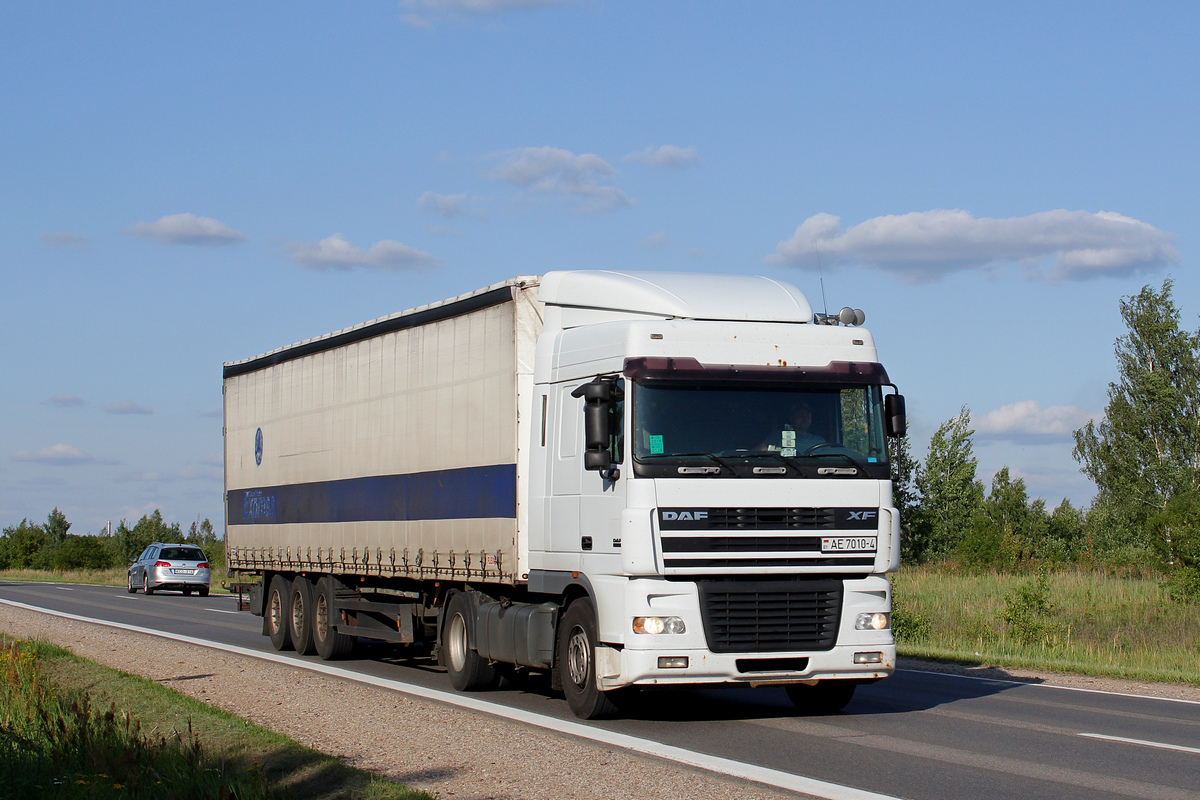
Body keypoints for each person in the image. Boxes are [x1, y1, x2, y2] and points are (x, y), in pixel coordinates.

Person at [758, 399, 824, 454]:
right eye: (800, 414)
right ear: (792, 418)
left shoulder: (820, 441)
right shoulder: (779, 437)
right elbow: (758, 452)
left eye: (807, 414)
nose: (804, 417)